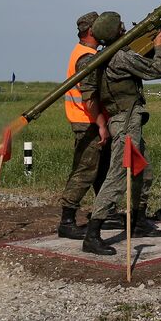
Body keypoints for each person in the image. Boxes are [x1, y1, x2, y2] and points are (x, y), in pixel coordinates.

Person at [79, 11, 161, 255]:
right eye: (122, 26)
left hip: (125, 120)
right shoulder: (120, 57)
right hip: (126, 122)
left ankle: (139, 221)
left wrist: (157, 37)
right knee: (118, 175)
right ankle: (93, 233)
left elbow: (139, 57)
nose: (125, 28)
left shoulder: (106, 56)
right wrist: (160, 47)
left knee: (144, 170)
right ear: (116, 32)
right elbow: (157, 70)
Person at [56, 12, 120, 249]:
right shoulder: (86, 57)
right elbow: (89, 97)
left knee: (101, 170)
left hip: (89, 120)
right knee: (86, 170)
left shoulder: (85, 52)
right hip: (88, 121)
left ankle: (106, 211)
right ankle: (67, 219)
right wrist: (101, 124)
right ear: (92, 31)